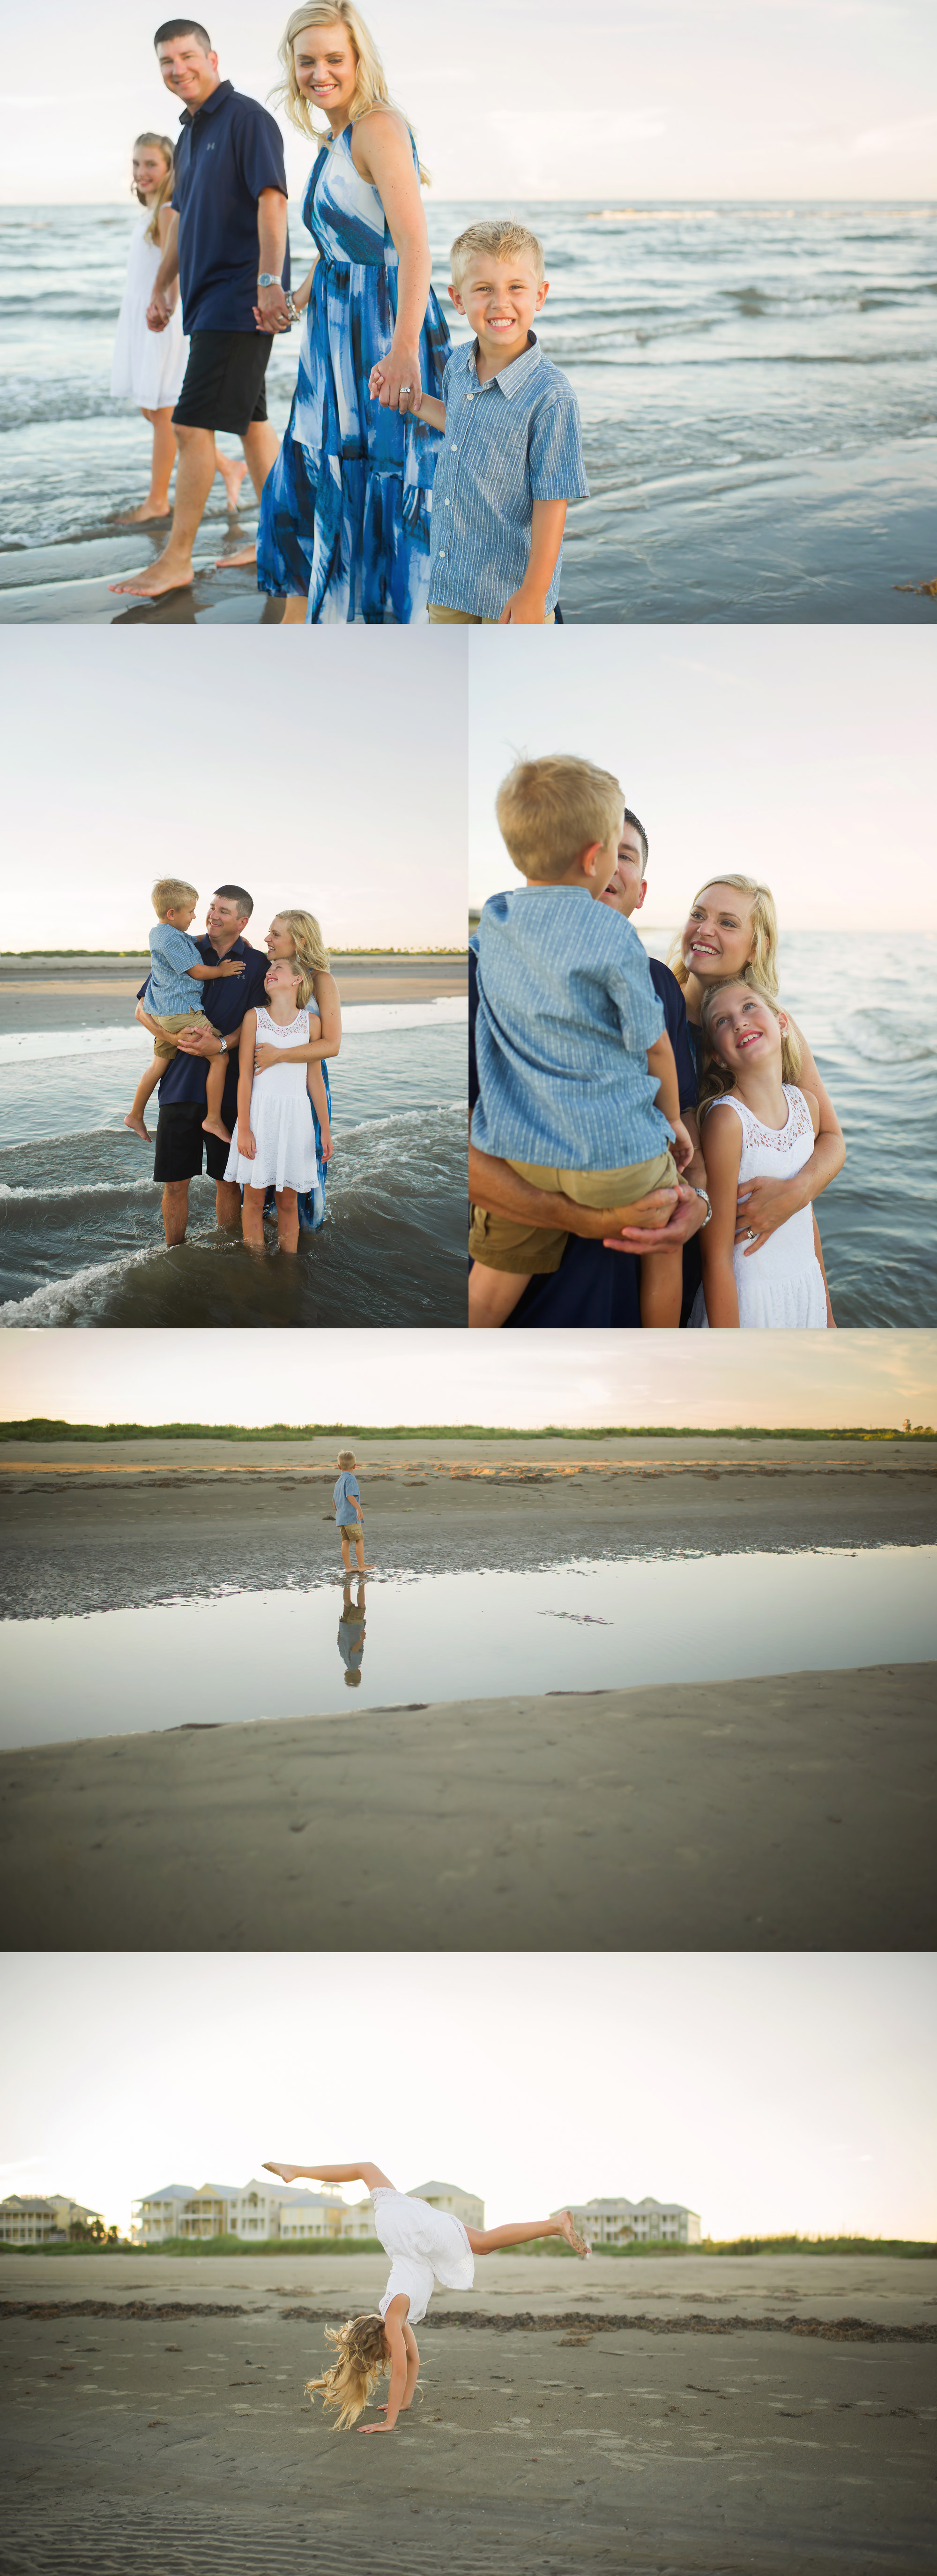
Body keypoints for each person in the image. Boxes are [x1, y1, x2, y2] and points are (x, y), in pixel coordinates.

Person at [468, 757, 694, 1331]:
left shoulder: (494, 926)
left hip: (524, 1152)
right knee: (663, 1243)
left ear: (641, 890)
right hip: (609, 1173)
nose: (612, 865)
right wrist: (669, 1127)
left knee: (491, 1280)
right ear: (591, 859)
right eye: (609, 848)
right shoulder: (613, 941)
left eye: (630, 854)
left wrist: (703, 1206)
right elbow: (659, 1057)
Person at [244, 3, 450, 622]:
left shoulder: (378, 126)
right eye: (308, 60)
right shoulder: (334, 139)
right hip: (334, 333)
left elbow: (412, 243)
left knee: (385, 473)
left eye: (335, 58)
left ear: (359, 61)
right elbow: (349, 240)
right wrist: (300, 294)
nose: (320, 72)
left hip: (384, 330)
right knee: (322, 468)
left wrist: (406, 346)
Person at [110, 19, 290, 601]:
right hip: (206, 299)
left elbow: (272, 201)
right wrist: (164, 288)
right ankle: (278, 540)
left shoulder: (247, 120)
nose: (177, 69)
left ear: (212, 57)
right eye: (166, 61)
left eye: (187, 56)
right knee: (254, 425)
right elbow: (181, 220)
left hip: (242, 300)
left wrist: (268, 282)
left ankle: (177, 559)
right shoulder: (186, 136)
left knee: (190, 425)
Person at [261, 2158, 589, 2430]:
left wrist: (390, 2421)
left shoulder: (393, 2317)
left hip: (408, 2233)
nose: (391, 2361)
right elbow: (413, 2360)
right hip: (401, 2228)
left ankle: (554, 2224)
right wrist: (402, 2403)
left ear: (382, 2342)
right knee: (366, 2169)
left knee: (484, 2244)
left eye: (383, 2359)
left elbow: (403, 2370)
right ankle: (296, 2171)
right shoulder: (397, 2317)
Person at [390, 219, 588, 626]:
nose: (500, 304)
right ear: (458, 299)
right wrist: (414, 402)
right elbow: (463, 425)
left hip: (512, 593)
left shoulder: (551, 396)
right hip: (453, 580)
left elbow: (553, 502)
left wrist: (533, 594)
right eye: (484, 289)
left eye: (516, 287)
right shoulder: (458, 365)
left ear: (541, 296)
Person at [669, 875, 845, 1274]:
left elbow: (831, 1139)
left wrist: (796, 1193)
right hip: (672, 1228)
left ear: (756, 947)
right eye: (698, 915)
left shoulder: (769, 1029)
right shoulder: (657, 1007)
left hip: (746, 1251)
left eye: (728, 923)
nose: (705, 929)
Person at [110, 132, 246, 526]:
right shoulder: (153, 209)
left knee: (165, 410)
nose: (141, 172)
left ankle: (157, 501)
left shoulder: (170, 209)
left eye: (151, 164)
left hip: (161, 322)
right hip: (144, 317)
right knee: (154, 412)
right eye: (137, 164)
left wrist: (165, 307)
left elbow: (178, 263)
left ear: (171, 167)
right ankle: (226, 465)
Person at [688, 980, 833, 1328]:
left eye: (749, 1007)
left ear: (783, 1025)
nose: (739, 1021)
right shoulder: (727, 1121)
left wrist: (826, 1313)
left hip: (804, 1286)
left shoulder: (808, 1106)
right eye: (722, 1021)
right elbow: (716, 1256)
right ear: (718, 1056)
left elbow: (805, 1213)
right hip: (747, 1300)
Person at [134, 884, 269, 1245]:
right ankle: (174, 1256)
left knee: (227, 1182)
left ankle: (226, 1254)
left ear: (242, 921)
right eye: (212, 907)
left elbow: (258, 1023)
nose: (212, 915)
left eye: (224, 911)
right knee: (175, 1185)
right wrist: (171, 1037)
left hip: (230, 1093)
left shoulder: (257, 964)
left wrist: (221, 1043)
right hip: (178, 1086)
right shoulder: (182, 946)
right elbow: (141, 1009)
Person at [124, 876, 246, 1142]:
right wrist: (223, 971)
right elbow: (197, 971)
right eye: (191, 911)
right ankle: (213, 1120)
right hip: (182, 1013)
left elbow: (189, 940)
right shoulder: (175, 941)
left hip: (162, 1013)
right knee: (220, 1057)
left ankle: (135, 1114)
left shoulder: (162, 934)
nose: (195, 916)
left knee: (158, 1065)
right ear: (172, 913)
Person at [224, 958, 333, 1252]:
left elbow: (315, 1081)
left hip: (296, 1119)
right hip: (259, 1118)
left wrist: (325, 1129)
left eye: (278, 969)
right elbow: (244, 1076)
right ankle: (256, 1267)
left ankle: (288, 1269)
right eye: (268, 971)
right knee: (255, 1199)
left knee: (288, 1201)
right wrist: (244, 1127)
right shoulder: (254, 1018)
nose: (270, 973)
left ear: (297, 980)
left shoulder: (311, 1023)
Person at [261, 911, 342, 1232]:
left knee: (305, 1158)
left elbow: (332, 1045)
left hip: (307, 1087)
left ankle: (306, 1240)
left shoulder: (321, 979)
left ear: (300, 941)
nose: (268, 939)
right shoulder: (268, 974)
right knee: (265, 1161)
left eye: (276, 934)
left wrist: (280, 1055)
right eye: (269, 933)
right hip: (265, 1086)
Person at [332, 1449, 373, 1572]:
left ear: (339, 1467)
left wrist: (338, 1513)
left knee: (346, 1541)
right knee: (360, 1539)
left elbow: (334, 1501)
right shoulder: (351, 1479)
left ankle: (348, 1567)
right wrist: (358, 1508)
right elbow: (350, 1496)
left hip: (341, 1518)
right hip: (351, 1517)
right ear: (355, 1466)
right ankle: (361, 1565)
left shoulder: (339, 1481)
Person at [337, 1579, 366, 1685]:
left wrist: (362, 1639)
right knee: (347, 1603)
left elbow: (355, 1650)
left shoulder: (355, 1664)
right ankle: (347, 1582)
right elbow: (339, 1641)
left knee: (362, 1606)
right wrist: (340, 1631)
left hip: (354, 1628)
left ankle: (362, 1583)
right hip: (344, 1627)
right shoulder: (345, 1659)